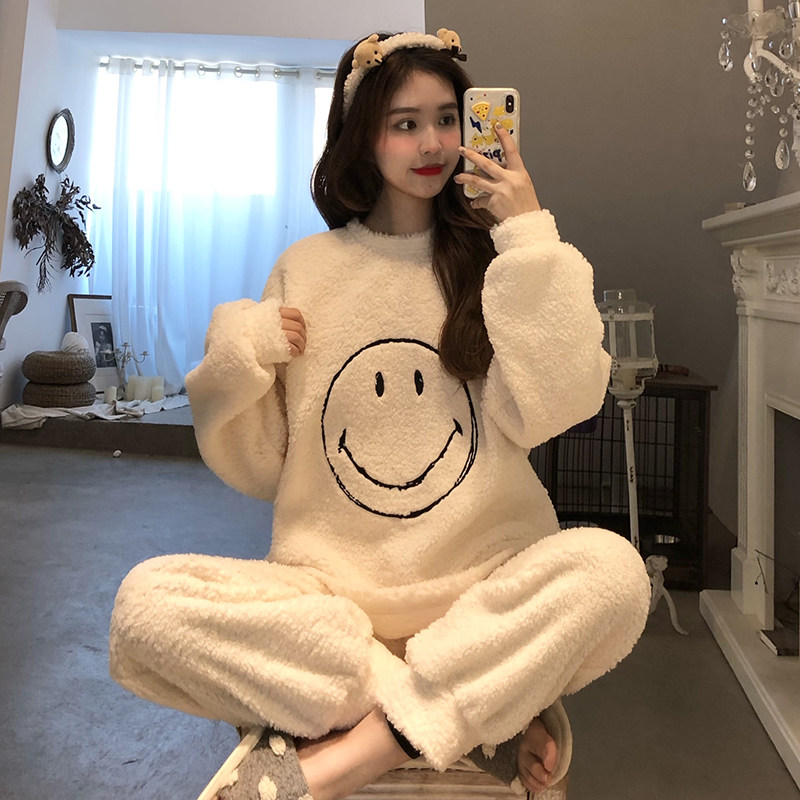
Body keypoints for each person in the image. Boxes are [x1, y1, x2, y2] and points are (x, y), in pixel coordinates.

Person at [109, 29, 651, 800]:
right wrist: (240, 349)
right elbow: (261, 463)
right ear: (365, 137)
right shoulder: (308, 267)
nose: (432, 143)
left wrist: (528, 232)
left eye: (447, 119)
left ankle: (352, 755)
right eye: (405, 123)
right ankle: (470, 714)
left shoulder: (497, 263)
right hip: (335, 609)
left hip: (479, 593)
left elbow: (560, 404)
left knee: (613, 574)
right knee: (144, 608)